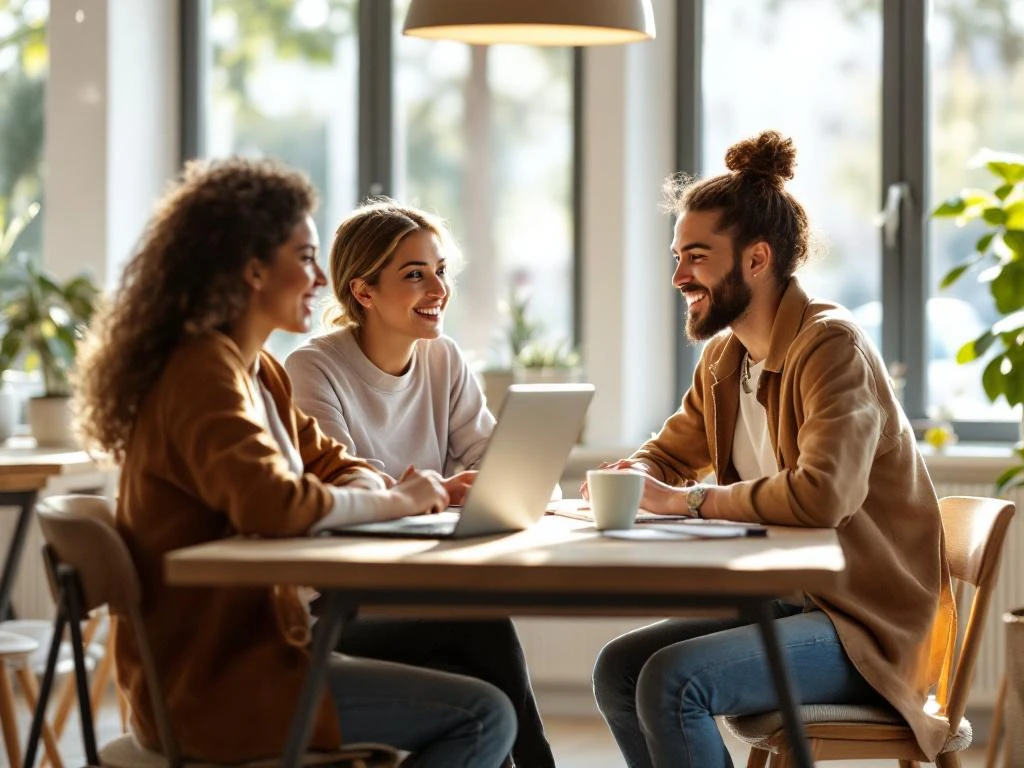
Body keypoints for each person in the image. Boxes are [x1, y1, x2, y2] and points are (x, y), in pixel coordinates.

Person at [73, 158, 516, 767]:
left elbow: (333, 463)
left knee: (477, 646)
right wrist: (396, 498)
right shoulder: (201, 373)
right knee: (483, 716)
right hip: (219, 687)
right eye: (305, 258)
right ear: (253, 270)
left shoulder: (257, 369)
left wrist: (372, 486)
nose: (319, 279)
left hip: (271, 655)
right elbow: (272, 504)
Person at [585, 130, 955, 768]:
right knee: (620, 667)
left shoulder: (830, 347)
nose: (678, 276)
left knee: (672, 681)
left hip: (866, 628)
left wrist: (688, 502)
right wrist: (636, 475)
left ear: (756, 260)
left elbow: (824, 495)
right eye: (677, 256)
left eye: (696, 257)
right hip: (792, 606)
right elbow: (669, 455)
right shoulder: (725, 358)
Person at [284, 198, 556, 768]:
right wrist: (436, 490)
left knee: (476, 659)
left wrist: (510, 479)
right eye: (415, 275)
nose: (438, 289)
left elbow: (490, 459)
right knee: (476, 628)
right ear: (363, 292)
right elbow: (348, 489)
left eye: (440, 270)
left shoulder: (443, 358)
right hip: (337, 609)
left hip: (422, 594)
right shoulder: (313, 368)